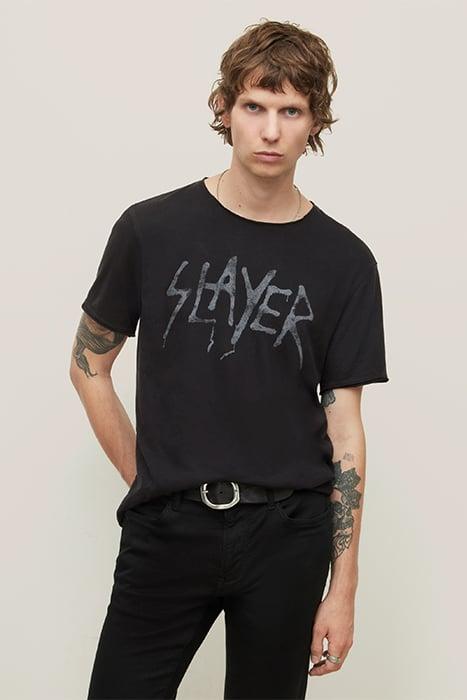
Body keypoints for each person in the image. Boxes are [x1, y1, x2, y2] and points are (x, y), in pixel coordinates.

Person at [70, 18, 389, 700]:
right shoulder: (150, 229)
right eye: (254, 106)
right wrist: (145, 476)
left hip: (288, 534)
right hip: (169, 529)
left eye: (290, 111)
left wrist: (343, 589)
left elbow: (345, 428)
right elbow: (88, 362)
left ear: (315, 121)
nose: (270, 131)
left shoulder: (345, 261)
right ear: (223, 108)